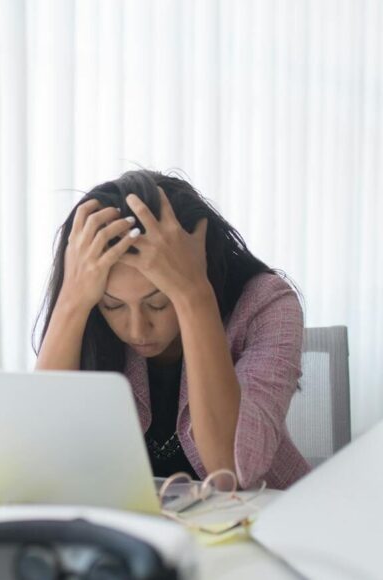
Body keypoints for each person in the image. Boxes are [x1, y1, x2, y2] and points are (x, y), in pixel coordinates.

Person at [34, 169, 310, 489]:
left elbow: (231, 471)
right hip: (140, 527)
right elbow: (42, 454)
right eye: (113, 305)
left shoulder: (266, 303)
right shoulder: (88, 313)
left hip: (258, 524)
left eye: (159, 303)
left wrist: (193, 294)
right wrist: (72, 301)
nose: (138, 329)